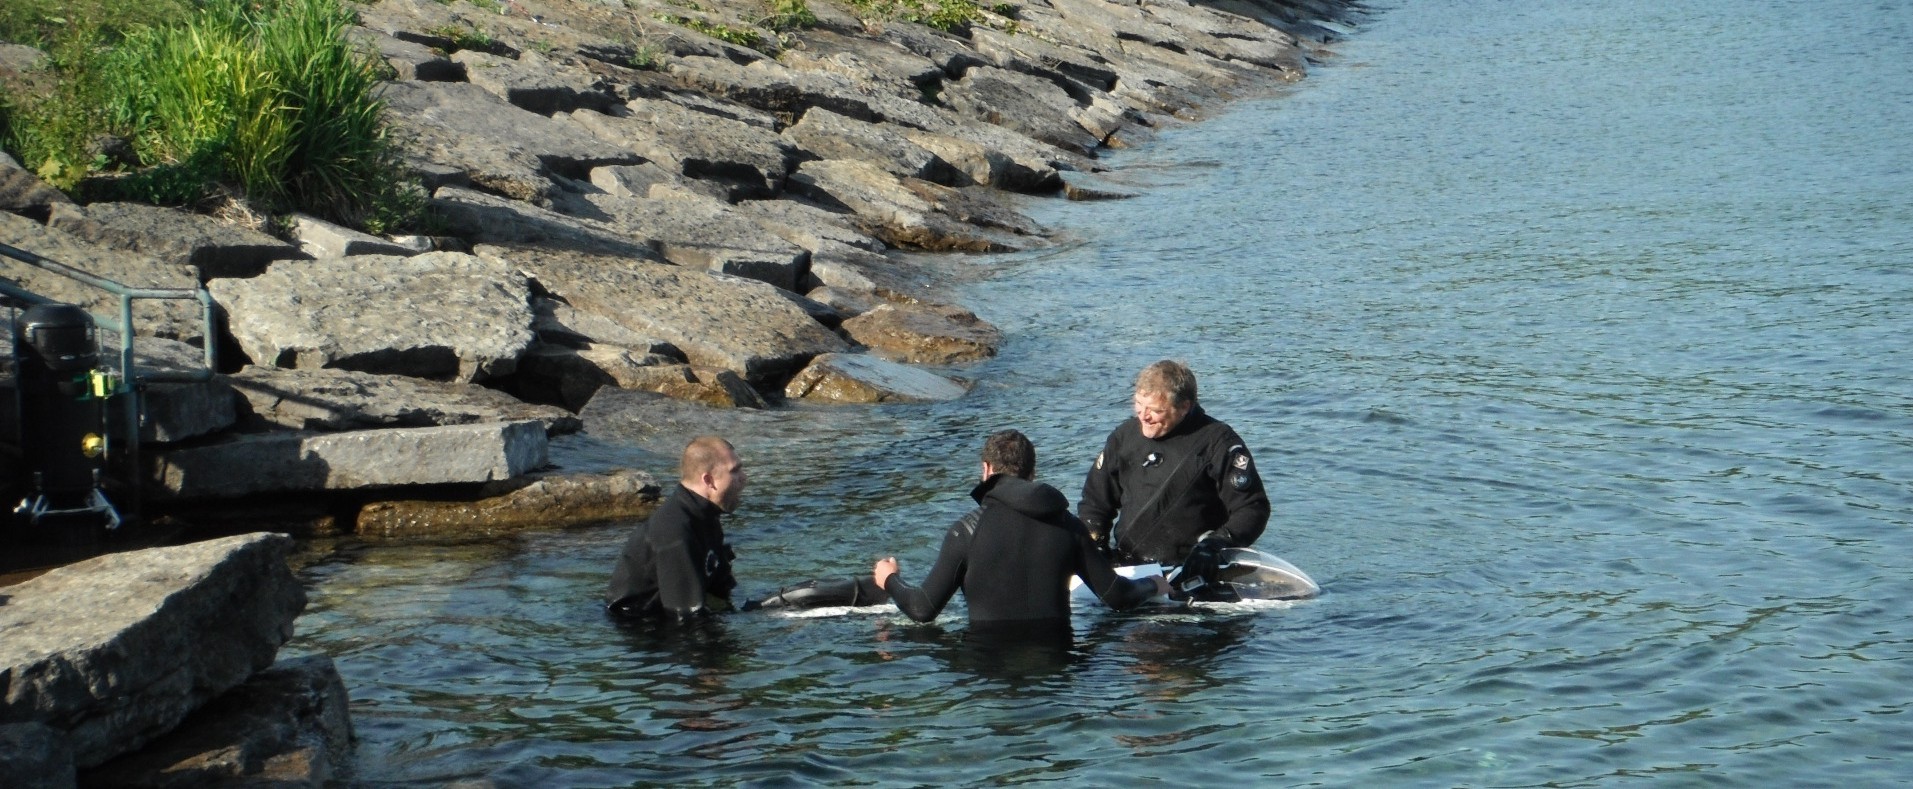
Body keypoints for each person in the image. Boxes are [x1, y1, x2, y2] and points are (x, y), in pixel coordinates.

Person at [872, 430, 1167, 637]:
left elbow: (922, 609)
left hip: (989, 674)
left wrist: (890, 579)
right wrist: (1154, 584)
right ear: (1033, 473)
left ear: (986, 470)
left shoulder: (966, 531)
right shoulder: (1069, 526)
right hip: (1056, 675)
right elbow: (1117, 597)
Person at [1079, 360, 1270, 589]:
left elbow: (1252, 507)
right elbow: (1095, 501)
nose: (1144, 416)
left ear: (1184, 407)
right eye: (1139, 405)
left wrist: (1216, 545)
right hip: (1132, 568)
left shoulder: (1218, 442)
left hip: (1193, 570)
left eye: (1156, 410)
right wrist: (1095, 544)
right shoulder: (1124, 437)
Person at [606, 436, 747, 623]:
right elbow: (686, 621)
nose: (744, 478)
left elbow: (721, 589)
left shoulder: (706, 517)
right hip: (642, 630)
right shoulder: (675, 531)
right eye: (735, 471)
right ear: (709, 480)